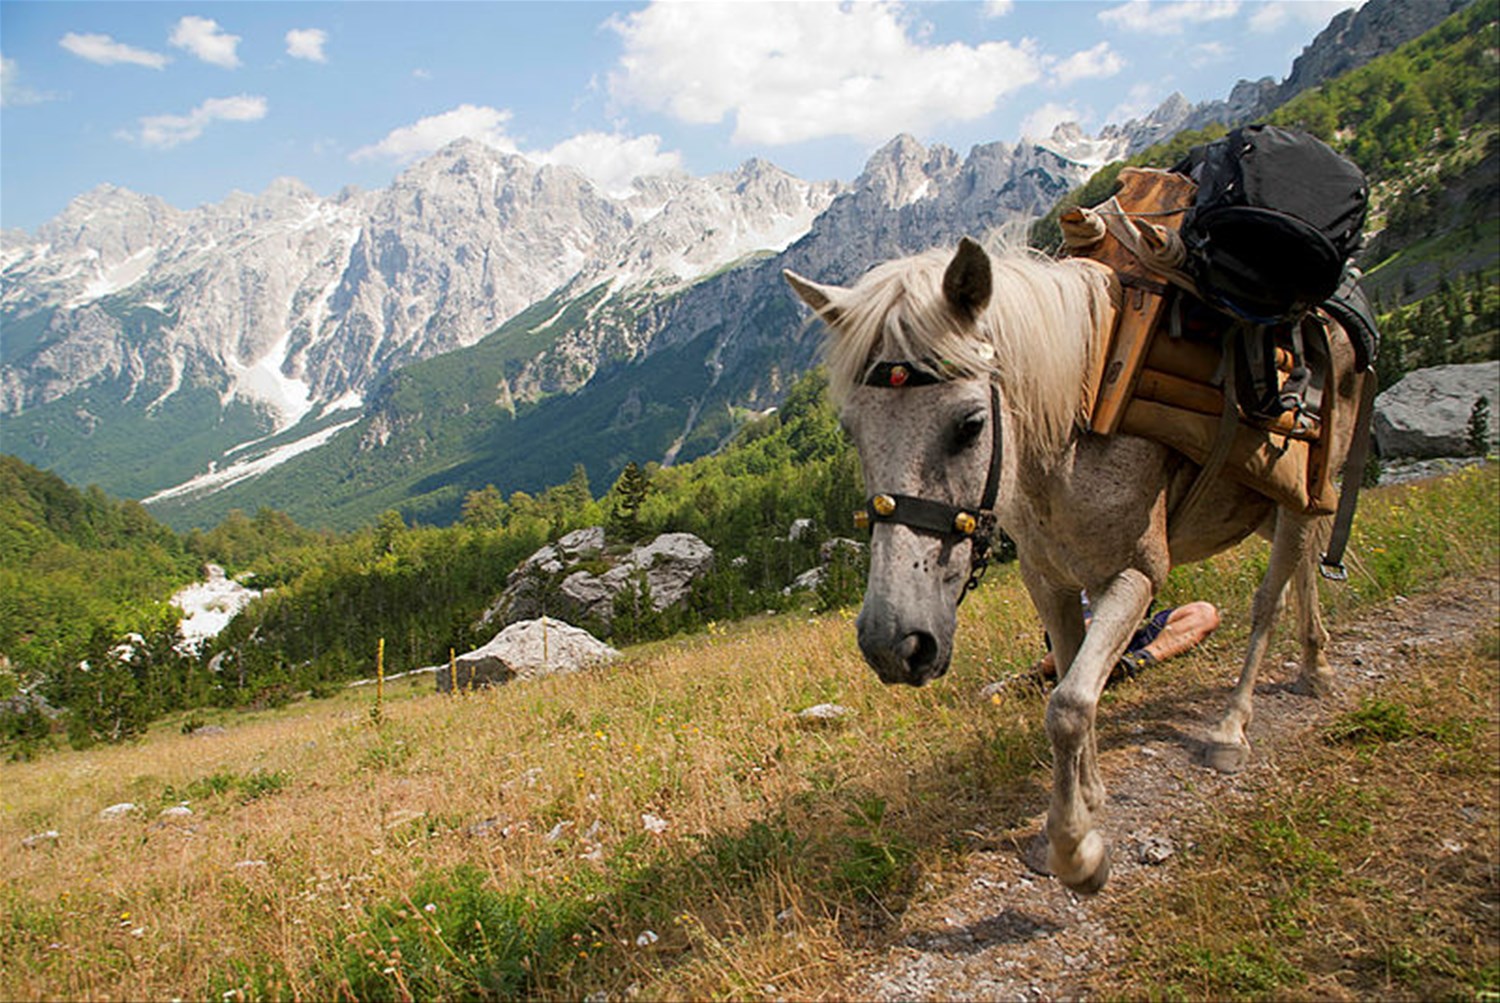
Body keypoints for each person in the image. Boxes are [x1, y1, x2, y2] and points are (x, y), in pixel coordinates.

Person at [1035, 597, 1221, 686]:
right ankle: (1041, 672)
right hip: (1086, 632)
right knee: (1092, 625)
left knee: (1204, 612)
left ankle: (1138, 659)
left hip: (1135, 628)